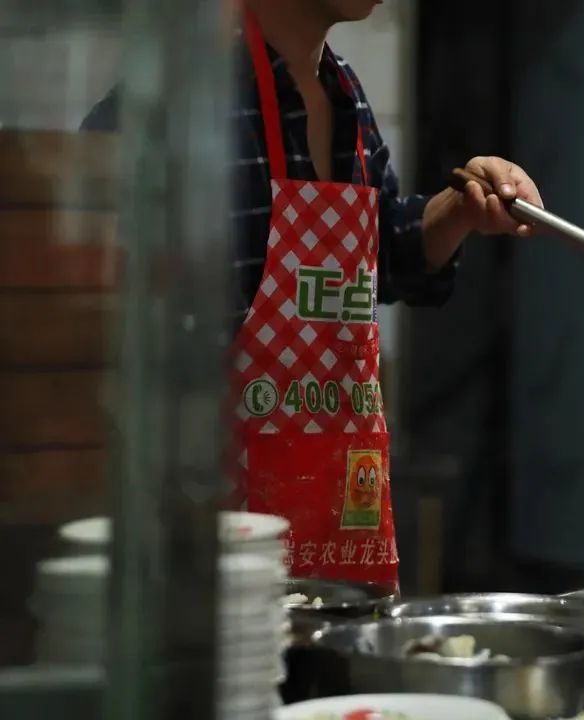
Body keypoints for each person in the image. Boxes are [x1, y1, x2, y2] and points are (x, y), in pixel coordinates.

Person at [83, 0, 543, 590]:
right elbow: (94, 334)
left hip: (338, 524)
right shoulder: (182, 105)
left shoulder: (344, 92)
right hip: (207, 557)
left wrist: (457, 210)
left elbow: (381, 256)